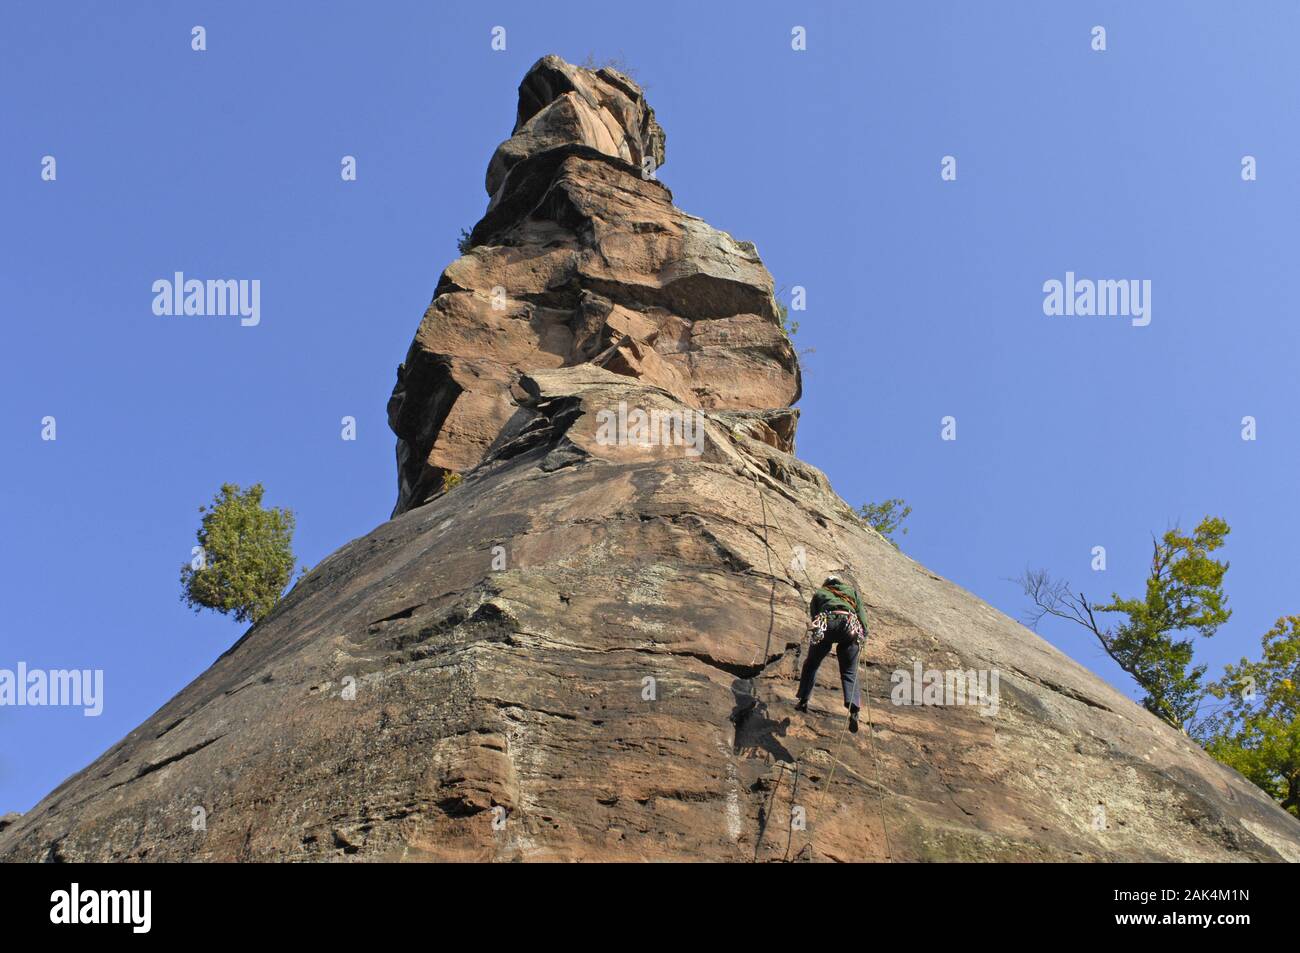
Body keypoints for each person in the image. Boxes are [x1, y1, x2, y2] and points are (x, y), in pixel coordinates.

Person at [795, 574, 868, 732]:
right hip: (850, 627)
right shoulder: (851, 592)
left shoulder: (820, 593)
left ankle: (803, 699)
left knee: (811, 664)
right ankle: (854, 708)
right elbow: (861, 614)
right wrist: (864, 634)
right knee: (849, 671)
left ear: (826, 584)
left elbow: (814, 615)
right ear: (839, 583)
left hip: (827, 624)